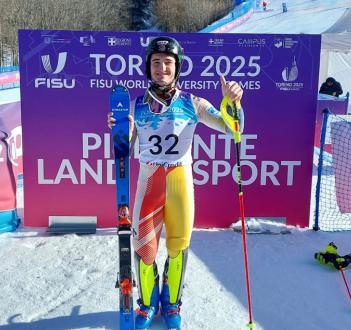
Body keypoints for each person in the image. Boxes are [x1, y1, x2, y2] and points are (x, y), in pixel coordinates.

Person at [107, 36, 244, 329]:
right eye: (156, 63)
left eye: (168, 63)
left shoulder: (193, 103)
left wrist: (233, 102)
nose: (162, 68)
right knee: (145, 250)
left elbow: (233, 128)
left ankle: (171, 304)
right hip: (149, 183)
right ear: (148, 67)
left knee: (178, 248)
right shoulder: (135, 106)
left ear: (177, 67)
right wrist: (120, 129)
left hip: (180, 182)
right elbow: (123, 149)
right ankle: (147, 304)